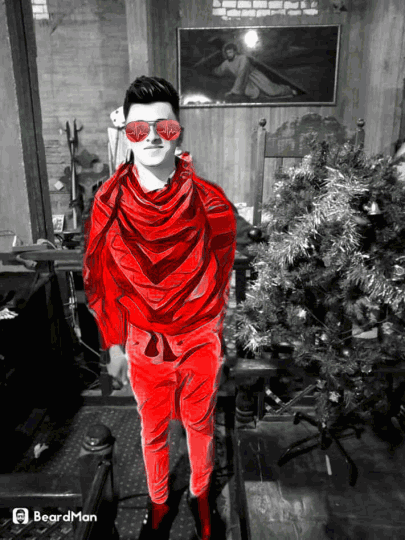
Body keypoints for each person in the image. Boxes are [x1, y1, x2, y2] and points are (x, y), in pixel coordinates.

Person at [83, 76, 236, 540]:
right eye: (138, 128)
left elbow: (221, 272)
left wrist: (213, 333)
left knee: (200, 425)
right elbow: (102, 278)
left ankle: (201, 498)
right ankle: (158, 503)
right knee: (151, 429)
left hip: (199, 335)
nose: (151, 137)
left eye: (163, 127)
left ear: (178, 131)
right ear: (126, 134)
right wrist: (114, 346)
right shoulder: (108, 203)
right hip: (143, 338)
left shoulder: (211, 202)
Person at [213, 42, 295, 100]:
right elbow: (219, 70)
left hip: (256, 77)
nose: (229, 54)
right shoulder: (226, 63)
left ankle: (289, 90)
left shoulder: (243, 58)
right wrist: (212, 71)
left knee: (271, 91)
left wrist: (234, 91)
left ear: (235, 51)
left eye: (230, 52)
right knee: (258, 96)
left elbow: (242, 73)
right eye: (227, 53)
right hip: (246, 83)